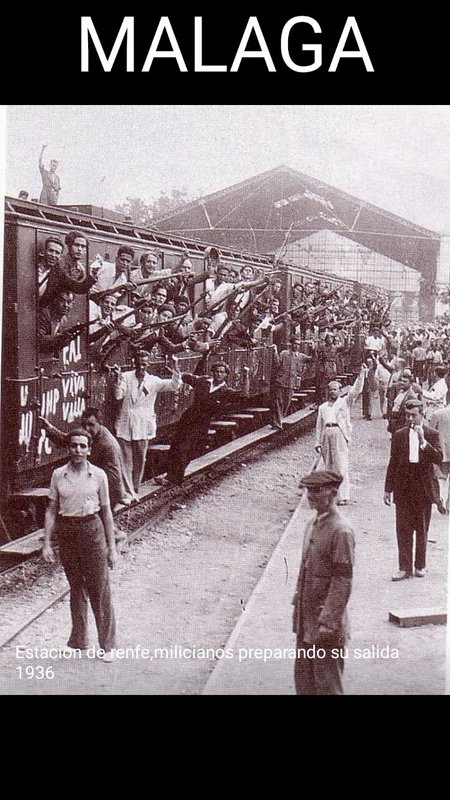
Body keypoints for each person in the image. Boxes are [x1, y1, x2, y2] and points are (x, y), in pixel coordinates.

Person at [42, 428, 117, 660]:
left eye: (83, 446)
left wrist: (111, 547)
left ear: (89, 449)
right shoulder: (58, 475)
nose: (78, 450)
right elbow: (52, 510)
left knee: (99, 589)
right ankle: (78, 641)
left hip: (91, 530)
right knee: (75, 587)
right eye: (74, 445)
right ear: (68, 448)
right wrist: (47, 543)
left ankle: (108, 647)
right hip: (67, 532)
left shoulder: (99, 476)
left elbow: (106, 513)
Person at [292, 470, 354, 695]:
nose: (310, 495)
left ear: (333, 493)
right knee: (305, 681)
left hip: (326, 623)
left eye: (317, 491)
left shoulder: (341, 531)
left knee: (328, 686)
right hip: (307, 620)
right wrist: (297, 612)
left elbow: (342, 581)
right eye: (308, 490)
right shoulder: (312, 524)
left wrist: (328, 622)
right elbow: (305, 571)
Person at [155, 360, 250, 486]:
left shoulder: (226, 391)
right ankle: (170, 475)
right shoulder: (203, 381)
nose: (218, 374)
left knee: (185, 449)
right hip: (187, 419)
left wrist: (246, 376)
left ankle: (174, 478)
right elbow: (187, 377)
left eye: (222, 372)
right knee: (176, 446)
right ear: (213, 372)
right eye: (216, 371)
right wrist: (175, 370)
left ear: (226, 374)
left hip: (201, 423)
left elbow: (244, 394)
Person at [384, 399, 442, 580]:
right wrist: (388, 489)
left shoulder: (431, 434)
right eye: (407, 415)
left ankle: (420, 565)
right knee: (403, 528)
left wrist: (423, 442)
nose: (410, 419)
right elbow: (392, 462)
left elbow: (439, 457)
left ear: (422, 414)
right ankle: (404, 567)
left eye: (414, 415)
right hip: (404, 487)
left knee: (422, 528)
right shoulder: (399, 435)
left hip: (423, 487)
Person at [114, 350, 182, 493]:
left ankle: (135, 487)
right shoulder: (126, 377)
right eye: (138, 363)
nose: (141, 367)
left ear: (148, 364)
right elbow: (118, 396)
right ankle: (127, 490)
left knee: (140, 459)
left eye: (144, 364)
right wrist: (118, 381)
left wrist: (175, 368)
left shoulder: (153, 381)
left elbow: (174, 385)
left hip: (143, 425)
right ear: (134, 363)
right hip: (125, 422)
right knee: (126, 459)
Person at [314, 366, 366, 505]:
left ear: (339, 391)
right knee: (328, 466)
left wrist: (361, 374)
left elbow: (355, 391)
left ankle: (343, 496)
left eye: (335, 389)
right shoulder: (323, 407)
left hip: (339, 434)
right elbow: (319, 426)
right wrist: (317, 442)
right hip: (327, 434)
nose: (332, 391)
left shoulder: (344, 402)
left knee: (341, 465)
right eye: (330, 389)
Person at [271, 337, 312, 430]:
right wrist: (275, 352)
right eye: (295, 344)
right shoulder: (284, 354)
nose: (296, 346)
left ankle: (278, 420)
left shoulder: (301, 356)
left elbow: (312, 359)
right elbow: (277, 364)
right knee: (278, 402)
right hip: (281, 381)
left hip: (292, 383)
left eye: (298, 344)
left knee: (286, 403)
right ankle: (277, 423)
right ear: (291, 344)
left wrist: (313, 349)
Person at [38, 290, 75, 355]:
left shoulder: (63, 320)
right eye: (62, 301)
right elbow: (38, 340)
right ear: (55, 301)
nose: (66, 305)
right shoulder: (44, 315)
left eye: (69, 302)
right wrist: (58, 338)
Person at [430, 403, 450, 514]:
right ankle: (449, 505)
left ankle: (440, 500)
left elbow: (429, 431)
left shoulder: (438, 414)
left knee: (441, 479)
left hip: (442, 452)